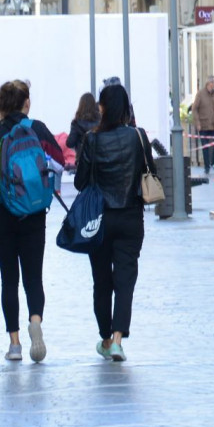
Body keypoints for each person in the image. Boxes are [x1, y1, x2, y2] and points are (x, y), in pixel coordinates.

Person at [0, 80, 65, 363]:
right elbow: (58, 163)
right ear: (26, 103)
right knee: (34, 275)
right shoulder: (38, 130)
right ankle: (35, 320)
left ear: (0, 106)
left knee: (9, 279)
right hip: (33, 214)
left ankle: (15, 344)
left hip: (2, 215)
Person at [74, 84, 156, 362]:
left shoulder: (91, 139)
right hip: (131, 217)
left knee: (101, 280)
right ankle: (119, 339)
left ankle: (106, 338)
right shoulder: (138, 136)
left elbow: (80, 181)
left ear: (104, 107)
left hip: (99, 220)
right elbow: (150, 172)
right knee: (125, 279)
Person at [191, 77, 214, 174]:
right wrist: (197, 123)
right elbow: (194, 109)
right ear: (208, 83)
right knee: (205, 147)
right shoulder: (200, 94)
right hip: (203, 125)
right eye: (213, 83)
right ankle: (207, 166)